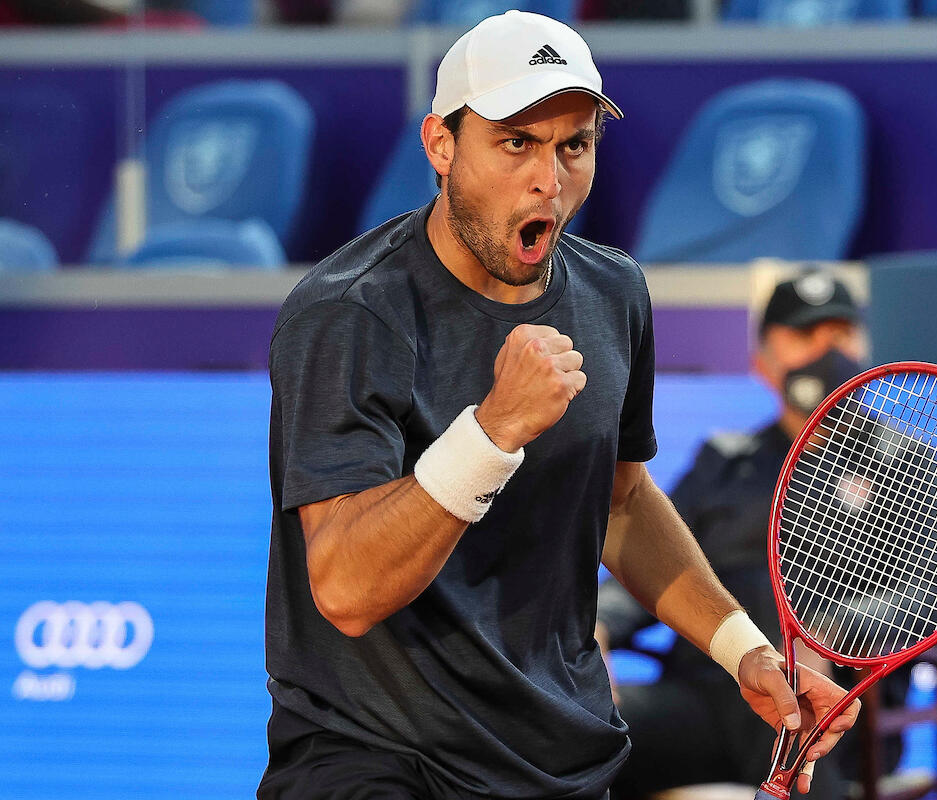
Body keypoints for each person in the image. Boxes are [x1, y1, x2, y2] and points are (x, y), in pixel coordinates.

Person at [258, 11, 858, 800]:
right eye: (516, 143)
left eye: (573, 145)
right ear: (441, 145)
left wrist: (745, 650)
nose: (549, 177)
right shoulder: (350, 312)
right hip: (378, 759)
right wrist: (493, 431)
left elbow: (623, 504)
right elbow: (344, 590)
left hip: (557, 755)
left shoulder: (615, 292)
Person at [598, 272, 916, 800]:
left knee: (786, 668)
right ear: (761, 362)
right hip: (707, 698)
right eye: (805, 335)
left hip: (836, 706)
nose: (826, 351)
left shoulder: (905, 463)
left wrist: (824, 631)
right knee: (582, 731)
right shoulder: (724, 461)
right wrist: (601, 624)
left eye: (841, 334)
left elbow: (933, 596)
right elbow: (655, 561)